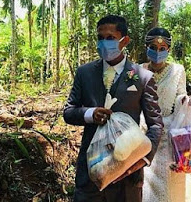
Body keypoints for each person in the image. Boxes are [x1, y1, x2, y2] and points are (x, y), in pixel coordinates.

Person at [63, 15, 164, 202]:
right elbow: (69, 112)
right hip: (92, 171)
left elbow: (156, 124)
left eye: (110, 38)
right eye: (100, 38)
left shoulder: (142, 77)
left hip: (129, 173)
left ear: (124, 41)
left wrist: (143, 158)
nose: (103, 43)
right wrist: (90, 114)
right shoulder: (84, 73)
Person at [140, 27, 188, 202]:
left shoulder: (178, 70)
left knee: (171, 185)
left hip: (170, 136)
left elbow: (181, 95)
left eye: (162, 49)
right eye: (153, 47)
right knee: (145, 185)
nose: (157, 52)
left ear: (168, 50)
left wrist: (184, 101)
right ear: (146, 48)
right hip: (144, 136)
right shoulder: (137, 71)